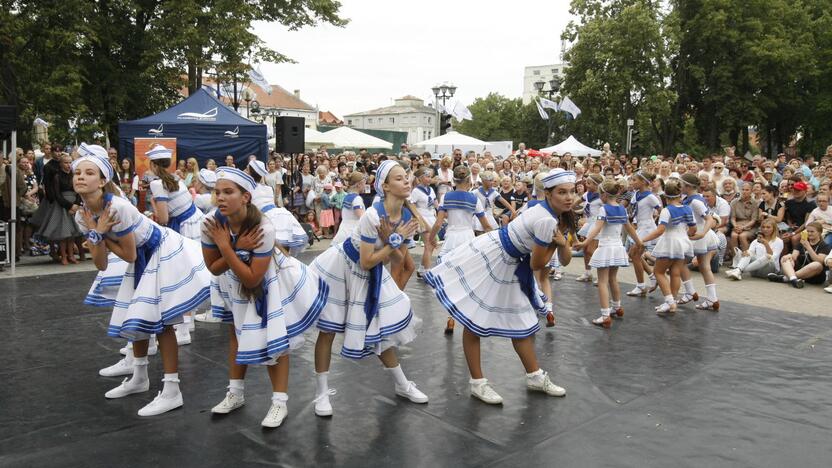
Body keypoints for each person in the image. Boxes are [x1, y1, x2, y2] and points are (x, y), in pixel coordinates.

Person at [73, 145, 210, 416]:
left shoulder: (118, 208)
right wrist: (97, 234)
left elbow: (130, 253)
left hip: (160, 251)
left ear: (102, 181)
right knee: (135, 316)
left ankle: (172, 391)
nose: (80, 176)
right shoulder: (82, 216)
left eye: (89, 172)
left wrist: (99, 235)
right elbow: (100, 264)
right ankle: (139, 376)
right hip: (141, 257)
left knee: (163, 322)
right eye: (77, 172)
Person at [424, 169, 576, 405]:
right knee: (475, 319)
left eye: (572, 192)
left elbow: (564, 259)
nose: (568, 197)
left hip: (507, 259)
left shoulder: (544, 211)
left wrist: (561, 243)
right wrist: (558, 244)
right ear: (548, 194)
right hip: (499, 259)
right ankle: (478, 383)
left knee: (522, 321)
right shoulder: (546, 219)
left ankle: (534, 375)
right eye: (562, 192)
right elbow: (537, 263)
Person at [202, 167, 327, 428]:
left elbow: (253, 279)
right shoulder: (211, 223)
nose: (220, 198)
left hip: (272, 279)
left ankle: (279, 402)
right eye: (217, 192)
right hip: (232, 279)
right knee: (236, 333)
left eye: (228, 192)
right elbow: (213, 268)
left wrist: (225, 247)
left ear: (246, 197)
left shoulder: (263, 228)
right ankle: (235, 393)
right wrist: (233, 247)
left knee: (276, 337)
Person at [310, 160, 428, 417]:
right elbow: (366, 261)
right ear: (384, 186)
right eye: (398, 178)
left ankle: (402, 384)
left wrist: (392, 242)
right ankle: (321, 393)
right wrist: (391, 241)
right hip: (343, 269)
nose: (406, 181)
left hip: (372, 274)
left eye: (406, 177)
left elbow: (398, 260)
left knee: (381, 329)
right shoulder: (373, 216)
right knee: (328, 330)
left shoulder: (408, 217)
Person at [147, 145, 206, 343]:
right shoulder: (177, 179)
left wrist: (153, 208)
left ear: (153, 164)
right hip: (195, 222)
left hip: (182, 227)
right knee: (191, 271)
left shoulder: (157, 184)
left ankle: (183, 330)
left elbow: (163, 218)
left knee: (180, 275)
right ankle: (188, 323)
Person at [428, 166, 492, 333]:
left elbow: (438, 223)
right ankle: (468, 317)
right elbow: (485, 225)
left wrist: (431, 239)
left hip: (451, 238)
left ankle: (451, 318)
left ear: (454, 180)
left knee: (451, 280)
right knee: (469, 279)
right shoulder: (474, 199)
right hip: (468, 238)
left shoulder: (446, 197)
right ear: (469, 180)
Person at [574, 179, 642, 328]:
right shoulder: (622, 209)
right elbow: (629, 228)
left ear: (604, 195)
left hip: (605, 247)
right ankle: (617, 307)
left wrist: (585, 242)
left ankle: (605, 315)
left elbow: (597, 229)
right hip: (617, 247)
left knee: (603, 282)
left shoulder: (604, 209)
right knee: (613, 279)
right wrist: (639, 242)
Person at [639, 179, 695, 314]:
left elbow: (660, 230)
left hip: (669, 242)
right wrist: (683, 235)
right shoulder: (687, 208)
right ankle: (672, 301)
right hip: (683, 243)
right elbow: (693, 230)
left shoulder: (667, 210)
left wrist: (642, 240)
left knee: (658, 272)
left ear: (665, 195)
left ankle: (670, 302)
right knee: (676, 273)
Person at [31, 152, 83, 264]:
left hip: (74, 203)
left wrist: (76, 204)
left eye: (70, 162)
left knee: (73, 233)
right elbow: (57, 194)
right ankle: (63, 256)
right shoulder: (57, 176)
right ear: (60, 164)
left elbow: (79, 191)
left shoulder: (74, 176)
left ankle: (71, 255)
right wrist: (69, 206)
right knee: (63, 233)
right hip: (61, 205)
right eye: (66, 162)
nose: (68, 165)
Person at [679, 173, 720, 310]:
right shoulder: (691, 199)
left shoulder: (695, 201)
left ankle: (691, 292)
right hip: (699, 236)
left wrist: (702, 233)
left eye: (681, 184)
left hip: (699, 237)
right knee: (704, 267)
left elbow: (709, 219)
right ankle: (712, 298)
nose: (679, 186)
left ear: (688, 186)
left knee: (681, 264)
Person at [626, 172, 662, 297]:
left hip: (647, 228)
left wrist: (659, 223)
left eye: (634, 180)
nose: (632, 182)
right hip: (639, 226)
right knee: (634, 254)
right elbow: (632, 211)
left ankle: (641, 285)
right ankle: (652, 277)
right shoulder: (636, 194)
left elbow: (661, 210)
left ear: (643, 182)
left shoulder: (651, 197)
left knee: (634, 255)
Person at [768, 222, 829, 288]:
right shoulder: (802, 241)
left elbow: (819, 261)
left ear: (819, 233)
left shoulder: (824, 246)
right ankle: (793, 279)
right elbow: (794, 257)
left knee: (817, 264)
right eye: (808, 231)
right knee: (785, 258)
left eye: (812, 231)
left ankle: (786, 278)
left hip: (814, 276)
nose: (809, 233)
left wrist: (808, 247)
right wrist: (789, 255)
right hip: (799, 269)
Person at [409, 167, 439, 279]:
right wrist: (417, 218)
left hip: (432, 217)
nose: (429, 179)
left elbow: (435, 203)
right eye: (427, 176)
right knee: (429, 245)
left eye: (430, 176)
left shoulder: (431, 189)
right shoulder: (416, 191)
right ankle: (427, 271)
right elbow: (411, 205)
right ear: (421, 178)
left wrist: (441, 212)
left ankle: (422, 269)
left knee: (431, 245)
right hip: (422, 219)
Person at [576, 174, 604, 283]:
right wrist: (570, 208)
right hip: (589, 222)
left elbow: (606, 209)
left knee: (592, 250)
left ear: (596, 185)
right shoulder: (587, 194)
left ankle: (601, 275)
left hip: (597, 223)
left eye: (589, 183)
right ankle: (588, 273)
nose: (586, 185)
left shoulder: (602, 196)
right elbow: (577, 202)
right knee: (586, 250)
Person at [473, 171, 515, 236]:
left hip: (489, 216)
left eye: (492, 180)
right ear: (483, 181)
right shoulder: (476, 192)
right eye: (490, 181)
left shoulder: (494, 192)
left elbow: (504, 201)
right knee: (480, 236)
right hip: (479, 217)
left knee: (490, 235)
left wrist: (513, 211)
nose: (492, 182)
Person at [332, 172, 367, 244]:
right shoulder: (357, 199)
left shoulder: (347, 196)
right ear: (359, 184)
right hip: (351, 234)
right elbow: (362, 218)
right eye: (364, 183)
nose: (365, 186)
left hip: (343, 231)